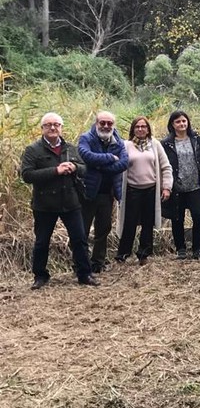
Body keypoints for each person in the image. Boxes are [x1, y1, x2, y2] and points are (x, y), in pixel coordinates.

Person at [21, 113, 99, 289]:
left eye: (56, 124)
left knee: (79, 239)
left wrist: (75, 167)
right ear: (42, 128)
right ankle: (40, 276)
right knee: (42, 242)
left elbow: (85, 170)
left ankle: (84, 274)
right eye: (48, 125)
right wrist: (55, 171)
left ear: (61, 127)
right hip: (45, 204)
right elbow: (26, 175)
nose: (53, 128)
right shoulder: (33, 150)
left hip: (70, 202)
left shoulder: (71, 148)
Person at [116, 116, 173, 265]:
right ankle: (123, 254)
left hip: (151, 190)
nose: (140, 129)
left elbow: (166, 166)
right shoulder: (126, 145)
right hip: (132, 190)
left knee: (148, 223)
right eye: (137, 127)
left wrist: (166, 187)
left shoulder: (155, 144)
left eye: (143, 126)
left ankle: (144, 254)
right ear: (133, 129)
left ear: (148, 129)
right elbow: (118, 167)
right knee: (129, 223)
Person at [77, 110, 128, 273]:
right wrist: (110, 159)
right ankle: (80, 263)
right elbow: (86, 156)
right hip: (88, 193)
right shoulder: (86, 138)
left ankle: (98, 262)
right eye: (102, 123)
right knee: (82, 230)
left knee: (103, 230)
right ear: (96, 123)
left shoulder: (118, 140)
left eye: (109, 123)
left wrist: (99, 166)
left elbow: (125, 163)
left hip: (108, 194)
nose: (106, 126)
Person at [161, 110, 200, 259]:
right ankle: (181, 249)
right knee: (177, 218)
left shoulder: (197, 140)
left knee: (199, 216)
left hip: (196, 187)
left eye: (184, 121)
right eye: (178, 122)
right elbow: (163, 165)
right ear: (172, 124)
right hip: (177, 188)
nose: (182, 124)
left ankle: (197, 249)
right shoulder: (166, 144)